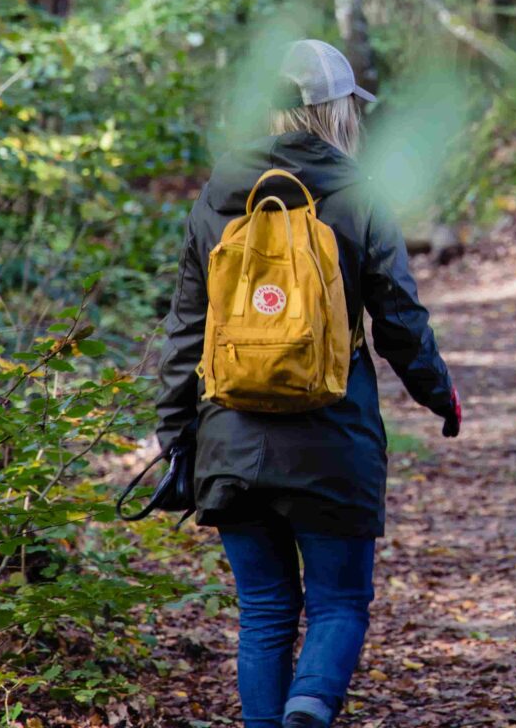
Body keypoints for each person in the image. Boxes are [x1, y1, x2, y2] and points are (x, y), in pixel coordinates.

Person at [157, 39, 462, 728]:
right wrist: (439, 395)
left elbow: (185, 330)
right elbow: (401, 321)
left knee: (264, 613)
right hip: (333, 435)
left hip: (230, 438)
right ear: (338, 114)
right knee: (339, 604)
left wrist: (176, 436)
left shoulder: (215, 200)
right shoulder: (359, 197)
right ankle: (310, 702)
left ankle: (284, 714)